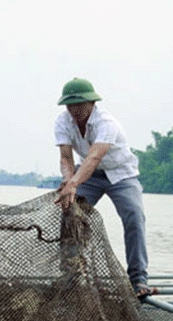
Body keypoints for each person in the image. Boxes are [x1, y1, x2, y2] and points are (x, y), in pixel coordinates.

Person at [53, 77, 150, 297]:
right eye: (70, 104)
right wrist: (69, 181)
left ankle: (138, 279)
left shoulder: (106, 123)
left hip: (121, 174)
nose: (74, 109)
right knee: (70, 213)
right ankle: (69, 275)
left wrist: (74, 182)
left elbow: (95, 156)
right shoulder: (62, 122)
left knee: (134, 216)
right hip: (89, 176)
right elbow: (66, 157)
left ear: (92, 103)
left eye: (79, 104)